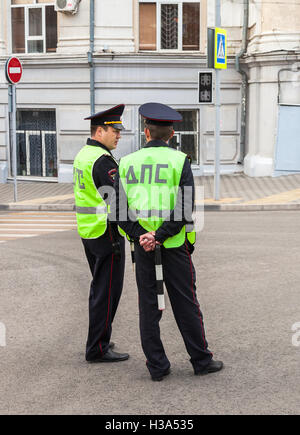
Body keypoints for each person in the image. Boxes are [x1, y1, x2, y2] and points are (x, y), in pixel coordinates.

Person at [110, 102, 223, 381]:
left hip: (143, 249)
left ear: (145, 133)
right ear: (170, 135)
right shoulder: (179, 161)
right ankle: (201, 361)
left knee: (148, 306)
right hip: (173, 246)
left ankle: (157, 367)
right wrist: (160, 236)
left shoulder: (126, 163)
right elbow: (184, 209)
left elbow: (118, 211)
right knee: (186, 303)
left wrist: (143, 236)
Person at [73, 104, 129, 363]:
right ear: (99, 131)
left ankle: (100, 337)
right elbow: (118, 204)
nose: (119, 135)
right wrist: (139, 232)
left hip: (89, 231)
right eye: (114, 130)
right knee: (106, 292)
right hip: (106, 234)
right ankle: (97, 348)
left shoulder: (83, 154)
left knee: (100, 289)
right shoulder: (101, 161)